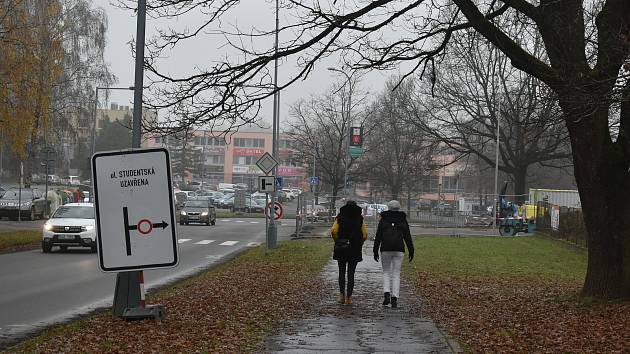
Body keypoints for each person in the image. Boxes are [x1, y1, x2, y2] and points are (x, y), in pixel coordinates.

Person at [373, 200, 414, 308]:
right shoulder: (403, 220)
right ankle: (394, 298)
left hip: (385, 248)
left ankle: (386, 293)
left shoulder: (383, 220)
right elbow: (407, 236)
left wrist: (375, 250)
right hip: (399, 249)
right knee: (396, 274)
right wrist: (411, 250)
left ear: (388, 207)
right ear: (399, 208)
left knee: (386, 272)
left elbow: (378, 236)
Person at [330, 200, 368, 305]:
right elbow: (365, 234)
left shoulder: (340, 217)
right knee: (351, 273)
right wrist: (359, 243)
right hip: (354, 248)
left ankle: (341, 295)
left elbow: (333, 231)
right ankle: (349, 298)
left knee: (341, 272)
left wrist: (338, 241)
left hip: (341, 247)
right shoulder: (360, 219)